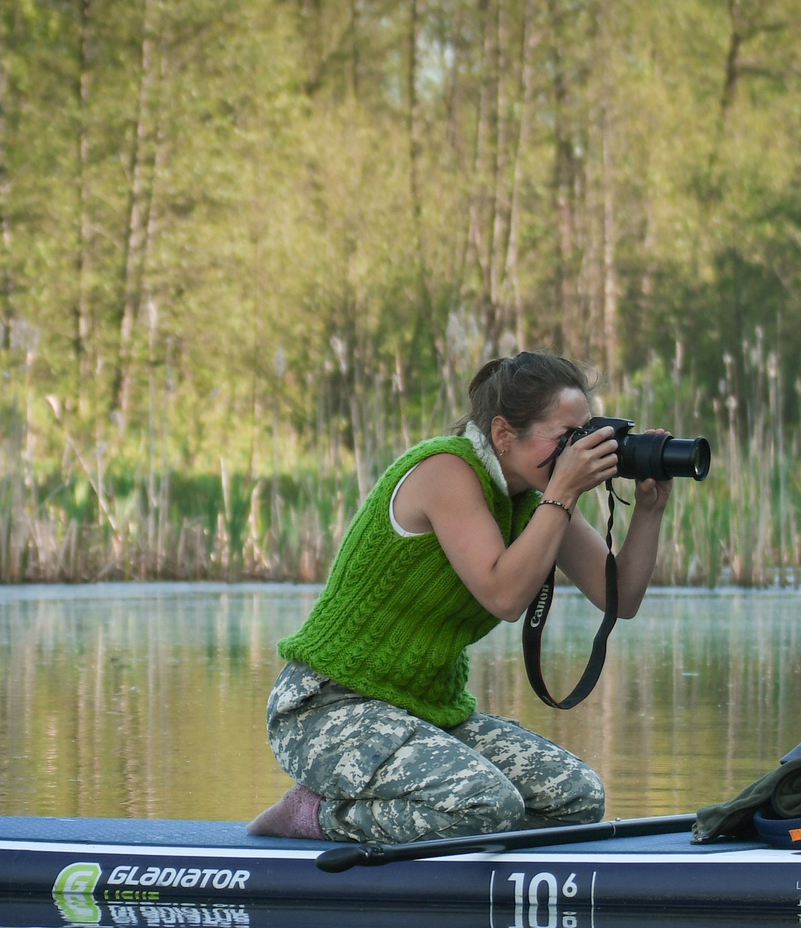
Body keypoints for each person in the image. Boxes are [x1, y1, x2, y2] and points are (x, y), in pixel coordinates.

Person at [250, 350, 671, 844]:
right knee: (486, 806)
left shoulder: (537, 498)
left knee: (577, 798)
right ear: (502, 434)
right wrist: (562, 493)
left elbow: (619, 596)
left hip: (423, 712)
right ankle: (314, 814)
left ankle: (446, 833)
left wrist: (649, 509)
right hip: (327, 709)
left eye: (586, 432)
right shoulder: (446, 471)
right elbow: (505, 596)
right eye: (566, 437)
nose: (581, 450)